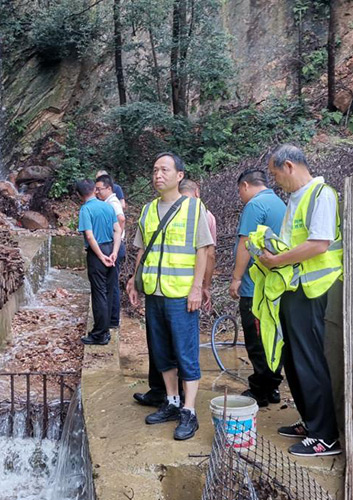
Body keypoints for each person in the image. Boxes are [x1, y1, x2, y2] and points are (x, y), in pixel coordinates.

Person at [258, 144, 343, 457]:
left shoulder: (322, 195)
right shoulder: (295, 198)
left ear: (290, 166)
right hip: (294, 291)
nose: (275, 179)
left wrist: (276, 261)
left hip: (315, 291)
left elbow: (319, 244)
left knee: (311, 362)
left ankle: (326, 436)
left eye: (276, 173)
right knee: (293, 360)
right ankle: (310, 422)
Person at [126, 152, 214, 441]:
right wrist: (134, 280)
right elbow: (142, 249)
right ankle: (172, 401)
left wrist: (196, 288)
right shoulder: (149, 210)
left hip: (181, 295)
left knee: (186, 353)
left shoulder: (193, 208)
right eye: (154, 170)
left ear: (179, 176)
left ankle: (189, 410)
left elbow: (202, 250)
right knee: (161, 351)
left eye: (164, 169)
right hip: (155, 293)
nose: (158, 175)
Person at [228, 168, 287, 408]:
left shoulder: (255, 205)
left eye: (240, 191)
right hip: (276, 286)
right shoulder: (280, 203)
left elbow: (246, 243)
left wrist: (236, 278)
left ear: (245, 186)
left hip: (256, 288)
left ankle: (261, 390)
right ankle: (271, 388)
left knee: (256, 340)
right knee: (273, 339)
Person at [76, 179, 121, 345]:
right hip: (111, 248)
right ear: (94, 190)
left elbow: (89, 236)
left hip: (97, 253)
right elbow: (117, 230)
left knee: (99, 293)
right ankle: (106, 330)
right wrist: (115, 252)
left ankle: (99, 334)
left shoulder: (86, 209)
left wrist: (101, 256)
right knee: (108, 292)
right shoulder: (107, 206)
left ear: (79, 195)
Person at [178, 179, 217, 309]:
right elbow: (210, 254)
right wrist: (205, 286)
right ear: (196, 192)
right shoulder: (207, 215)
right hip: (194, 281)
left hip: (169, 282)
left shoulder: (168, 211)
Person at [95, 174, 125, 329]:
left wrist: (117, 238)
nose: (97, 192)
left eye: (99, 189)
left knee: (112, 285)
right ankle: (112, 319)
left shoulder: (112, 203)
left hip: (115, 247)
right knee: (110, 284)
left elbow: (121, 219)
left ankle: (113, 321)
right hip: (115, 246)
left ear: (108, 188)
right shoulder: (108, 202)